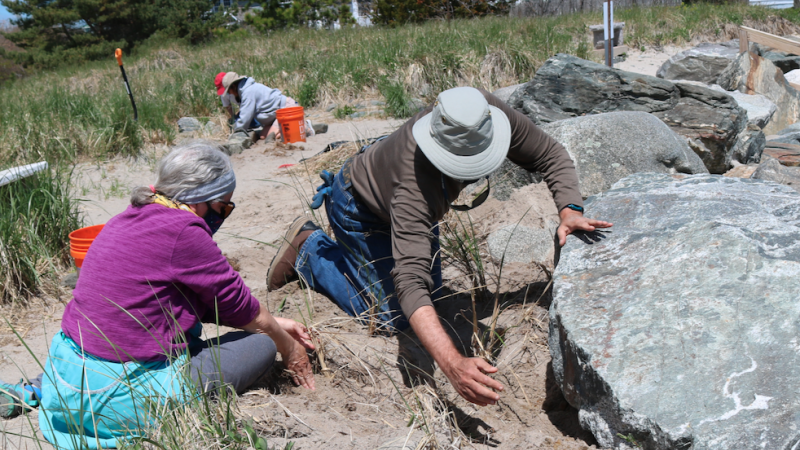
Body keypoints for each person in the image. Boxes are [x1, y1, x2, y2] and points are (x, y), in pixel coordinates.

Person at [267, 86, 612, 407]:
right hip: (360, 209)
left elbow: (550, 154)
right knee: (392, 318)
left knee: (435, 297)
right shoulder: (413, 187)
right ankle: (310, 249)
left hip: (401, 194)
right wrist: (452, 364)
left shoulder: (480, 111)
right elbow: (410, 283)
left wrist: (570, 210)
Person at [0, 142, 315, 449]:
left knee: (107, 341)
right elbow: (238, 305)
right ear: (202, 199)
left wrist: (277, 321)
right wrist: (287, 346)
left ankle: (37, 388)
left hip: (66, 380)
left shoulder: (125, 219)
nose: (223, 216)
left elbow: (180, 300)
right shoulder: (185, 230)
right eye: (224, 207)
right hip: (120, 402)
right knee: (261, 345)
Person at [221, 72, 315, 141]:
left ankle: (304, 126)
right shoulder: (246, 91)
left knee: (276, 136)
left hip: (287, 109)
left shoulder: (248, 92)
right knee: (263, 136)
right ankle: (296, 125)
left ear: (233, 86)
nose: (230, 94)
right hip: (276, 116)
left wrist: (236, 133)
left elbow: (244, 118)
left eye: (229, 91)